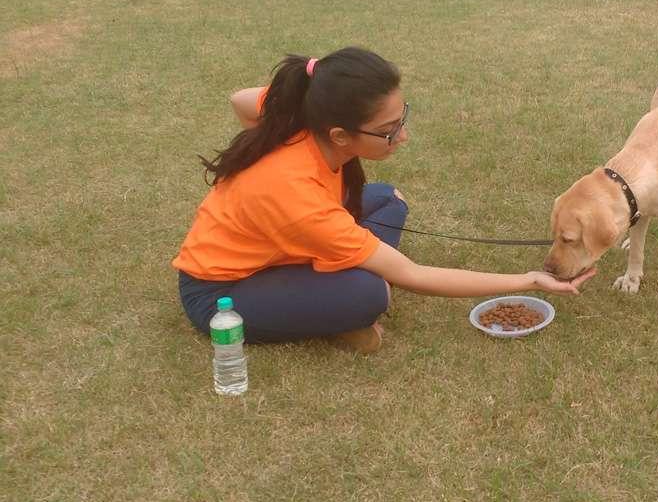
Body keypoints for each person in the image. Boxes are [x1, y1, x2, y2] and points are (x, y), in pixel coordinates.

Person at [172, 47, 594, 352]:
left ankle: (324, 293)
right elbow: (416, 276)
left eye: (401, 117)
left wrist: (310, 91)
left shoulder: (307, 120)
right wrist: (529, 280)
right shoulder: (298, 197)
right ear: (340, 135)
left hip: (284, 246)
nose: (402, 136)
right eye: (389, 129)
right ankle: (337, 314)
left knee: (387, 199)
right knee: (371, 292)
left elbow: (240, 100)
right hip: (221, 294)